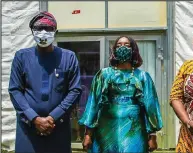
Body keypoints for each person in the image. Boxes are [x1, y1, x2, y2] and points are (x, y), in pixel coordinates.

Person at [8, 11, 82, 153]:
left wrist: (53, 117)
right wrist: (34, 118)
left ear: (55, 32)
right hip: (28, 127)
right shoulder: (21, 57)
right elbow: (15, 90)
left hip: (58, 127)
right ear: (32, 32)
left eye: (48, 29)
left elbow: (75, 90)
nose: (43, 32)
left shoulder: (68, 57)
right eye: (38, 28)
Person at [79, 36, 163, 153]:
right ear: (114, 50)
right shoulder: (103, 75)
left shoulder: (143, 77)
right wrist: (88, 134)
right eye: (118, 45)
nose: (122, 47)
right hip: (106, 128)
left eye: (127, 45)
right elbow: (93, 104)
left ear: (133, 50)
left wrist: (152, 135)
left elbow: (151, 107)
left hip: (134, 129)